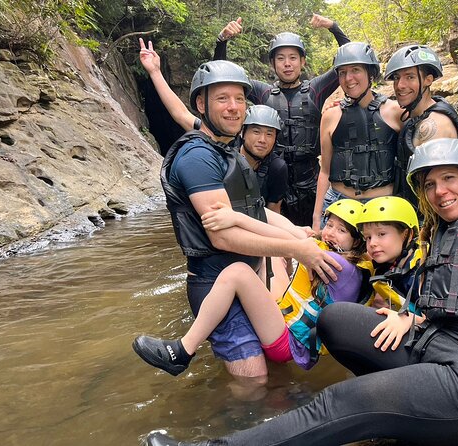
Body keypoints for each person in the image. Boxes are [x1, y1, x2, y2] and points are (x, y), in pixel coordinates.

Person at [146, 138, 458, 446]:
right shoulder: (436, 236)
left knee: (341, 401)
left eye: (452, 178)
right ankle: (405, 403)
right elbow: (444, 305)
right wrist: (411, 320)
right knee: (336, 320)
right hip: (439, 348)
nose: (442, 190)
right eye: (431, 183)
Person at [138, 59, 342, 386]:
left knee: (275, 374)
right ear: (202, 105)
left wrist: (297, 231)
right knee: (254, 384)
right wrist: (296, 249)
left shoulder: (226, 148)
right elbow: (225, 237)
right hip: (217, 284)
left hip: (249, 278)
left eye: (239, 99)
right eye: (222, 99)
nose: (234, 107)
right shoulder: (198, 158)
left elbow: (254, 210)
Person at [133, 199, 367, 375]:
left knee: (238, 273)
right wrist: (238, 208)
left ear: (356, 241)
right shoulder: (348, 261)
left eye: (342, 230)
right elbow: (289, 232)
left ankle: (182, 351)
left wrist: (237, 218)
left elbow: (289, 239)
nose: (331, 233)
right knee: (273, 257)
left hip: (289, 344)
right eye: (330, 225)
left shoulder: (342, 266)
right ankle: (245, 306)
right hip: (288, 322)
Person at [214, 14, 351, 226]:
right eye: (280, 58)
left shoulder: (315, 89)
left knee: (314, 240)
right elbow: (224, 75)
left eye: (293, 58)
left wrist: (334, 27)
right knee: (273, 247)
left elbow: (350, 60)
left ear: (302, 62)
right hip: (271, 180)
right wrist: (222, 41)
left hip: (310, 183)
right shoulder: (263, 92)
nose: (287, 64)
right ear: (272, 63)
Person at [138, 40, 287, 212]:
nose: (262, 140)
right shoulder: (220, 143)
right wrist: (155, 72)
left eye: (239, 99)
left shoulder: (277, 167)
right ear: (244, 132)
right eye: (256, 131)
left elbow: (269, 212)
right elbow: (181, 114)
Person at [312, 42, 403, 232]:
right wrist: (316, 216)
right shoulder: (330, 116)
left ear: (370, 73)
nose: (348, 78)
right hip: (338, 202)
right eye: (343, 72)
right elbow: (325, 171)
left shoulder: (395, 111)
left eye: (355, 70)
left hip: (382, 204)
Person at [383, 45, 458, 206]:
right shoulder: (416, 116)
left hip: (427, 221)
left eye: (410, 77)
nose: (400, 85)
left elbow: (441, 191)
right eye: (396, 78)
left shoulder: (435, 125)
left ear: (428, 80)